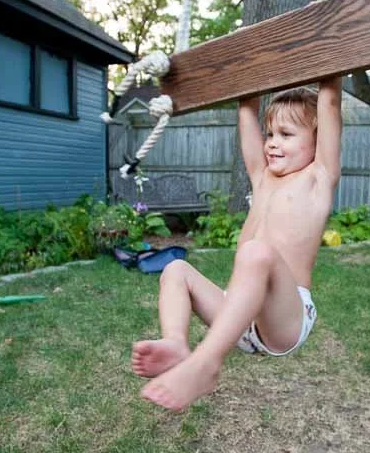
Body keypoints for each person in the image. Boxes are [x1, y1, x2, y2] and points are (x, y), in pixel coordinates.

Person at [131, 77, 343, 411]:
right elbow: (247, 108)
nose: (272, 143)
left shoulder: (319, 178)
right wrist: (246, 69)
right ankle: (175, 343)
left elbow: (330, 102)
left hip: (284, 318)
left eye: (286, 135)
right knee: (175, 269)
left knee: (256, 252)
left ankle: (206, 364)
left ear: (318, 143)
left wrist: (332, 69)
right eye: (270, 134)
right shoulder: (262, 178)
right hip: (237, 316)